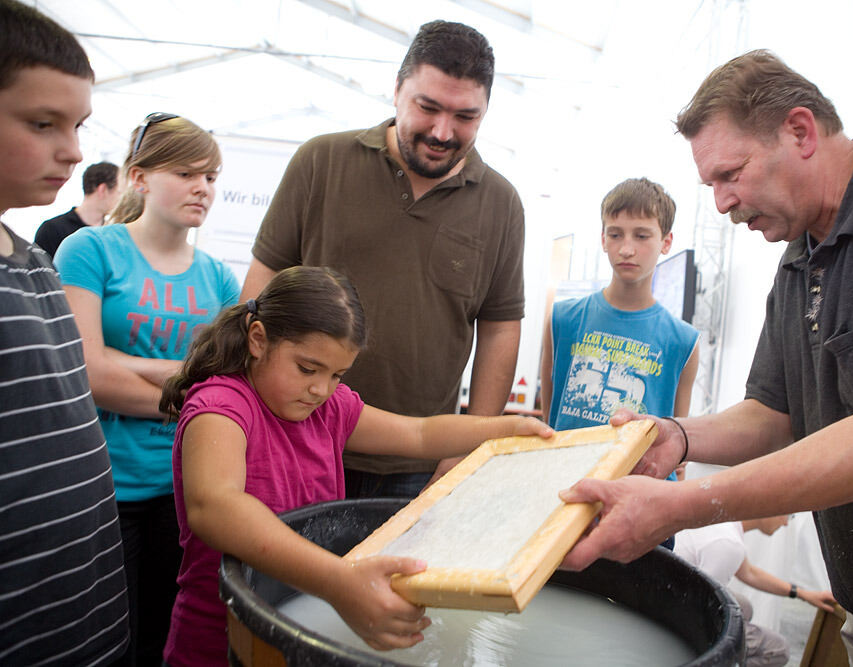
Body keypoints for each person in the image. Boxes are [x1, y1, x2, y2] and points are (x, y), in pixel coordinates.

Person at [559, 49, 853, 665]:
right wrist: (677, 436)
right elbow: (773, 414)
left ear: (799, 131)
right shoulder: (800, 260)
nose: (722, 203)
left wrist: (683, 505)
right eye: (712, 185)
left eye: (731, 174)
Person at [159, 266, 552, 666]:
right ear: (258, 339)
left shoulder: (329, 408)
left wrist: (503, 429)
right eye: (307, 368)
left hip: (302, 636)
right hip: (217, 642)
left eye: (337, 374)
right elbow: (216, 507)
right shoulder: (222, 407)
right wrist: (337, 581)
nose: (320, 388)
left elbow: (418, 434)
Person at [240, 20, 525, 500]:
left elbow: (499, 328)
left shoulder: (501, 203)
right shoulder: (321, 161)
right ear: (396, 89)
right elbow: (261, 287)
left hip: (417, 463)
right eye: (427, 107)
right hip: (296, 438)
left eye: (465, 116)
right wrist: (247, 406)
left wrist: (467, 449)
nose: (442, 131)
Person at [54, 113, 240, 665]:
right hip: (100, 482)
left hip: (182, 488)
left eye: (211, 177)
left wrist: (121, 363)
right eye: (186, 173)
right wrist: (187, 381)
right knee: (104, 638)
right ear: (138, 177)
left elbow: (227, 383)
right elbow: (86, 373)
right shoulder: (90, 250)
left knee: (164, 636)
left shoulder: (218, 277)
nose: (202, 188)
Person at [0, 0, 129, 664]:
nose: (74, 151)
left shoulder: (35, 261)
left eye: (77, 125)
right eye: (42, 123)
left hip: (81, 613)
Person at [540, 177, 699, 430]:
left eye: (641, 236)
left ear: (666, 242)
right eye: (615, 234)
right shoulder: (563, 318)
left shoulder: (683, 341)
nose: (626, 249)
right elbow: (550, 420)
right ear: (604, 239)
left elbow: (677, 438)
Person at [674, 513, 838, 667]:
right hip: (681, 613)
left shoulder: (725, 525)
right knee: (778, 649)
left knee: (744, 606)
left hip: (674, 591)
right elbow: (704, 607)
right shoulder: (729, 544)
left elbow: (749, 573)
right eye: (789, 515)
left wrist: (803, 594)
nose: (786, 523)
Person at [34, 160, 119, 256]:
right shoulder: (51, 230)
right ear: (103, 190)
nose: (122, 199)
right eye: (119, 192)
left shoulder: (111, 232)